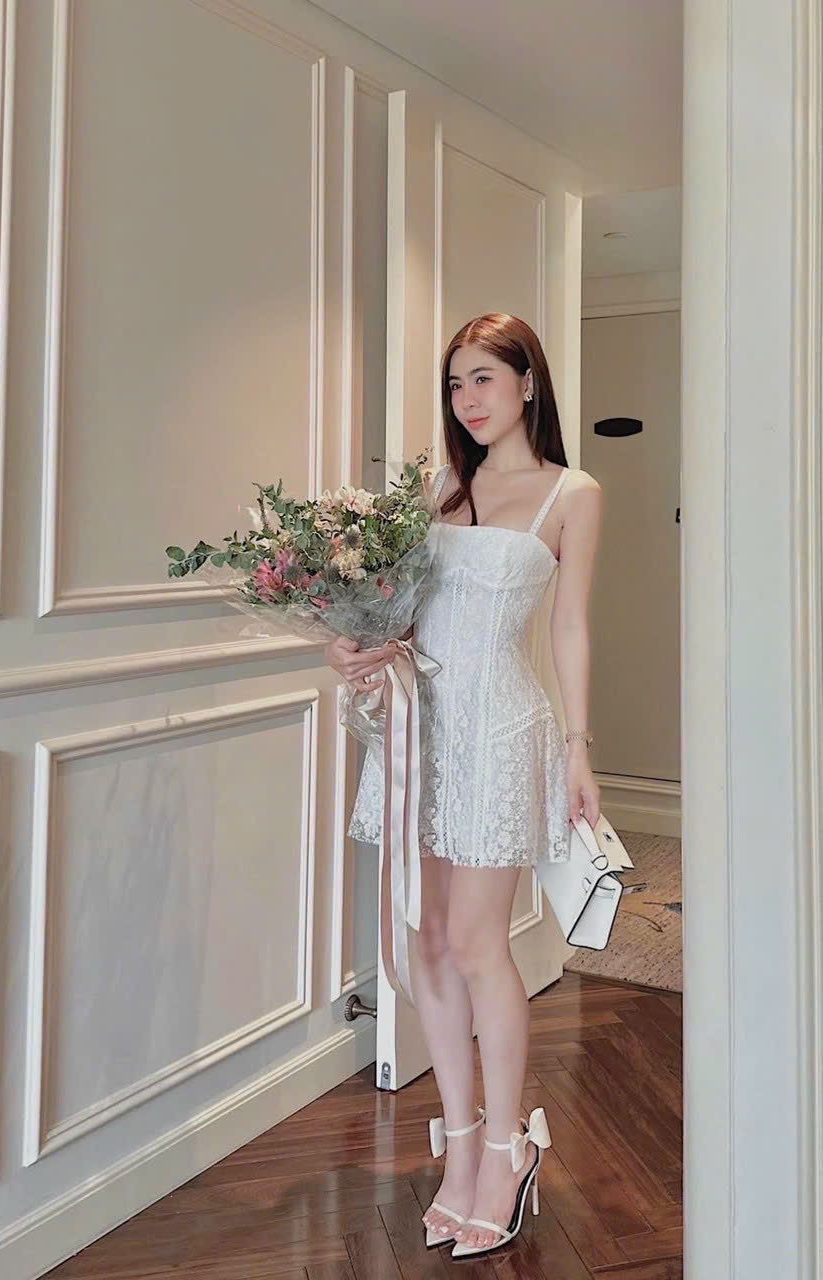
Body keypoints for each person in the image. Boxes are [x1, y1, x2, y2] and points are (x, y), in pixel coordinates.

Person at [323, 312, 602, 1259]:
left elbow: (570, 626)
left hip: (500, 733)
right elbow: (398, 615)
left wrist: (578, 748)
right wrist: (349, 644)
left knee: (480, 945)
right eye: (455, 382)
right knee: (424, 942)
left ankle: (509, 1148)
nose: (468, 399)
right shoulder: (438, 489)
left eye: (484, 377)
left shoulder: (572, 492)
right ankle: (460, 1144)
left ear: (528, 382)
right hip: (419, 734)